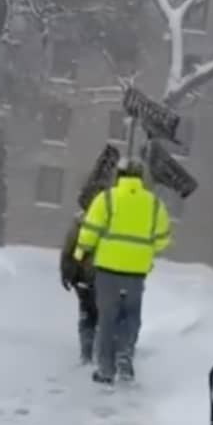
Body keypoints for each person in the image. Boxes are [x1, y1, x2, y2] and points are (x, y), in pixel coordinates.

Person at [73, 159, 171, 384]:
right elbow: (163, 239)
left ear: (119, 175)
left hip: (108, 269)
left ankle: (106, 370)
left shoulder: (106, 199)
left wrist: (80, 254)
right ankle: (125, 357)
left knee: (107, 318)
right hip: (137, 272)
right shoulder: (154, 204)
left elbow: (89, 232)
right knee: (130, 316)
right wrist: (145, 250)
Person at [60, 212, 99, 363]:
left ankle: (86, 351)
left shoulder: (80, 220)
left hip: (85, 275)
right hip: (110, 275)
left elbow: (69, 249)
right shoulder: (115, 217)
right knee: (106, 313)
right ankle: (103, 350)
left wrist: (67, 273)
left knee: (87, 312)